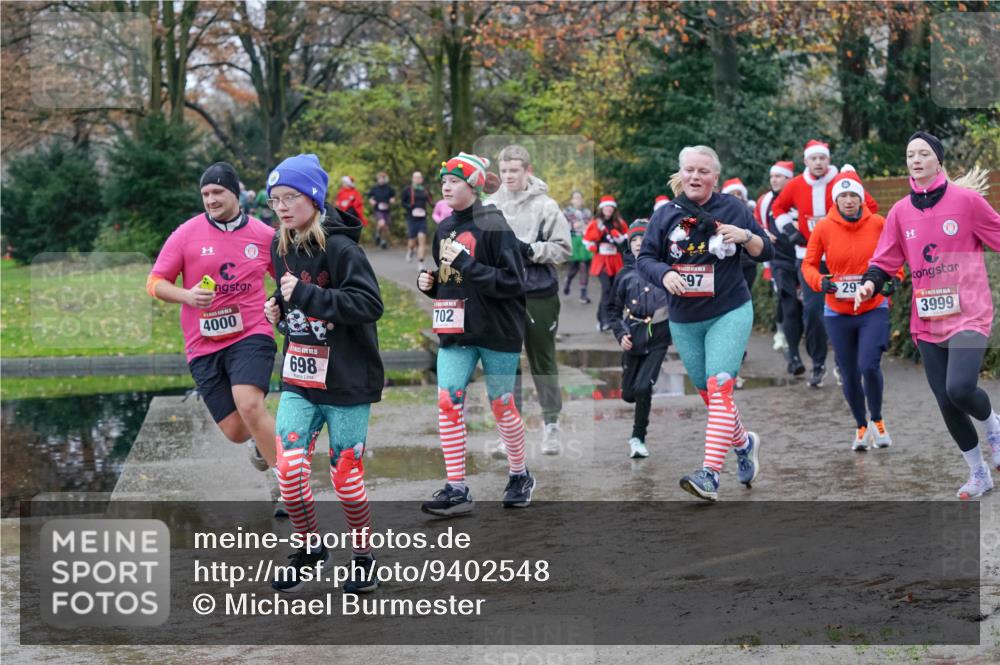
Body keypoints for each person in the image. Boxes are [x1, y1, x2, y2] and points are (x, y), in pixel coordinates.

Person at [856, 131, 1000, 499]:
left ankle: (993, 425)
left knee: (960, 388)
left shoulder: (967, 202)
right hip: (928, 320)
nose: (916, 160)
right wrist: (870, 283)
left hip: (969, 311)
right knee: (945, 400)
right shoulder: (901, 212)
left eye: (923, 154)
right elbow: (884, 260)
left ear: (938, 161)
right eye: (910, 155)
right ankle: (978, 472)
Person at [638, 145, 773, 502]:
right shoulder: (665, 215)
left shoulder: (733, 208)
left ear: (715, 176)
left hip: (729, 310)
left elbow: (768, 250)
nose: (695, 177)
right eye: (689, 170)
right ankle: (744, 444)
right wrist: (663, 274)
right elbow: (644, 258)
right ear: (681, 174)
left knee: (720, 386)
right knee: (709, 394)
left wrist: (745, 236)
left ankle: (709, 474)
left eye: (703, 171)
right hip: (685, 319)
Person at [145, 162, 281, 509]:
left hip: (251, 331)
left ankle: (288, 486)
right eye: (205, 194)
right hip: (202, 343)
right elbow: (155, 283)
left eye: (218, 192)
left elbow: (287, 278)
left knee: (250, 404)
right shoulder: (187, 234)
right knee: (236, 431)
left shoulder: (264, 235)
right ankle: (261, 443)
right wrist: (187, 296)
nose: (211, 199)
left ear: (235, 192)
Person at [417, 152, 533, 515]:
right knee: (448, 401)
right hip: (455, 330)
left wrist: (467, 263)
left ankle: (519, 474)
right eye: (443, 182)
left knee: (502, 405)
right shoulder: (444, 228)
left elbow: (514, 282)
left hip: (497, 329)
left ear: (474, 185)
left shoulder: (495, 224)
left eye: (453, 181)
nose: (446, 187)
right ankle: (456, 487)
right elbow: (454, 281)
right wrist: (433, 285)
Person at [486, 145, 572, 454]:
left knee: (542, 359)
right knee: (506, 363)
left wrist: (529, 250)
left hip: (537, 292)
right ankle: (510, 432)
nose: (509, 176)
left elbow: (563, 248)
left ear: (527, 171)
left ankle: (551, 426)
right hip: (501, 293)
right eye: (505, 171)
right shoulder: (489, 205)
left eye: (515, 171)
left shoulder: (545, 206)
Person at [771, 140, 879, 387]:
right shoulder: (797, 184)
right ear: (805, 161)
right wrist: (789, 228)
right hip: (808, 258)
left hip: (841, 259)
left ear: (829, 160)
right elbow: (778, 207)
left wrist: (852, 231)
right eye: (813, 159)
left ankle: (843, 364)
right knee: (813, 313)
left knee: (848, 310)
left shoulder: (842, 180)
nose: (818, 163)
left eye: (823, 158)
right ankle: (818, 364)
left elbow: (870, 207)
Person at [802, 169, 894, 451]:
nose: (849, 200)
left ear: (862, 197)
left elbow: (894, 256)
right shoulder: (824, 227)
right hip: (838, 311)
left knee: (869, 364)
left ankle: (877, 419)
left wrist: (894, 280)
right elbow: (808, 264)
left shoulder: (878, 223)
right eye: (843, 196)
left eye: (854, 194)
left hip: (873, 307)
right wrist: (821, 282)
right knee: (850, 372)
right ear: (836, 200)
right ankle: (860, 425)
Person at [609, 219, 671, 459]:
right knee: (629, 393)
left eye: (642, 240)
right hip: (632, 335)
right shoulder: (624, 275)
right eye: (634, 240)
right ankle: (637, 395)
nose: (638, 244)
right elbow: (613, 311)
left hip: (659, 334)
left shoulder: (663, 268)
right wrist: (621, 333)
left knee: (644, 387)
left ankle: (638, 438)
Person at [756, 161, 797, 363]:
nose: (773, 180)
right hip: (779, 261)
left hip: (802, 257)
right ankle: (792, 354)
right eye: (772, 176)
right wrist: (767, 267)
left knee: (806, 309)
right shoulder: (764, 202)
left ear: (789, 179)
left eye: (778, 176)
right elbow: (761, 229)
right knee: (787, 303)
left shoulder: (799, 197)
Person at [583, 196, 629, 332]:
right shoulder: (596, 223)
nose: (608, 209)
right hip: (602, 261)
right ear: (602, 208)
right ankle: (604, 321)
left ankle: (606, 319)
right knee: (606, 289)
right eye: (606, 207)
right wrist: (597, 247)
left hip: (615, 260)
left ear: (614, 208)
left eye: (611, 207)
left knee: (615, 291)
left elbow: (626, 238)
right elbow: (587, 242)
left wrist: (618, 239)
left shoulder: (619, 223)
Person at [563, 190, 594, 304]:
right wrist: (572, 225)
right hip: (573, 240)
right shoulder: (566, 212)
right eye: (575, 198)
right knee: (573, 268)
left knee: (584, 265)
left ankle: (583, 294)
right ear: (572, 200)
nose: (578, 200)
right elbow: (561, 226)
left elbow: (591, 225)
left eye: (580, 198)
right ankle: (568, 281)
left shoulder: (587, 212)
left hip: (585, 241)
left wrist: (587, 227)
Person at [401, 171, 434, 270]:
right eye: (416, 177)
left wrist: (439, 205)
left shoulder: (425, 190)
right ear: (412, 179)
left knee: (422, 240)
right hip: (412, 219)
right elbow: (402, 202)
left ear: (422, 179)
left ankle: (420, 263)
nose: (418, 179)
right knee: (412, 242)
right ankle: (410, 250)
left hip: (422, 219)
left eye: (419, 177)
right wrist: (409, 207)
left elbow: (430, 202)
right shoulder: (407, 190)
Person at [367, 171, 396, 249]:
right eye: (380, 178)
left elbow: (393, 196)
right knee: (381, 223)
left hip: (387, 209)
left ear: (385, 179)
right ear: (377, 179)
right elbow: (369, 197)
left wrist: (392, 200)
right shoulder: (374, 188)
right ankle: (378, 234)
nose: (381, 180)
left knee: (385, 226)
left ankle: (383, 240)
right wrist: (371, 201)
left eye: (383, 178)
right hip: (378, 209)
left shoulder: (389, 188)